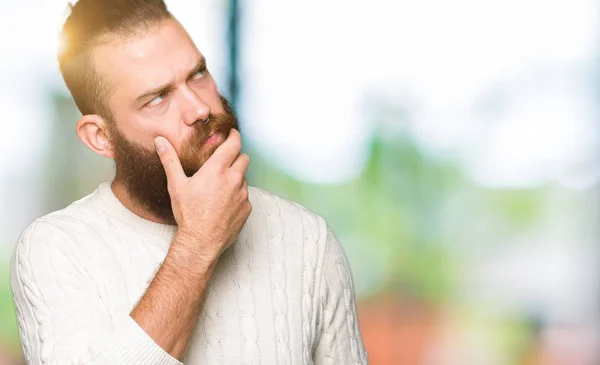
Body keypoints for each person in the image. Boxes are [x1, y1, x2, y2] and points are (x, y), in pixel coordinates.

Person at [9, 1, 367, 364]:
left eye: (198, 74)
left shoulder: (307, 238)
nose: (199, 108)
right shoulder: (53, 250)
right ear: (101, 137)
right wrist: (197, 244)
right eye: (158, 97)